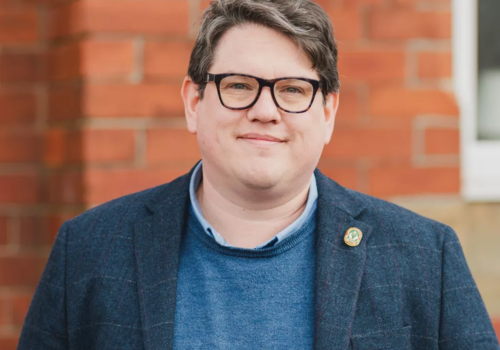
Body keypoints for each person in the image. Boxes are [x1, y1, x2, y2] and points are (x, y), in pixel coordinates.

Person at [18, 0, 499, 349]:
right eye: (239, 85)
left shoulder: (424, 259)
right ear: (193, 102)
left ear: (328, 113)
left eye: (292, 89)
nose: (265, 110)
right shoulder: (86, 251)